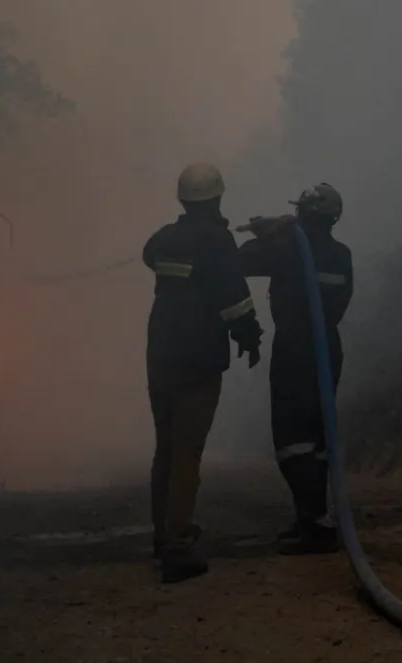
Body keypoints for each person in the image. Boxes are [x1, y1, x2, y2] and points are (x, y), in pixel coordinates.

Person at [143, 162, 263, 583]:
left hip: (160, 355)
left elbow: (148, 255)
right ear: (216, 198)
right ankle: (177, 547)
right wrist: (250, 337)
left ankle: (162, 536)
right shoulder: (217, 241)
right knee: (187, 451)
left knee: (166, 448)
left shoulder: (164, 239)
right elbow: (235, 300)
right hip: (198, 358)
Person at [237, 183, 353, 555]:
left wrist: (273, 231)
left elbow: (243, 260)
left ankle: (316, 522)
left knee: (292, 441)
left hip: (296, 349)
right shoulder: (340, 254)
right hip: (327, 349)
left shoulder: (287, 249)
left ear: (305, 214)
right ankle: (311, 518)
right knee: (318, 439)